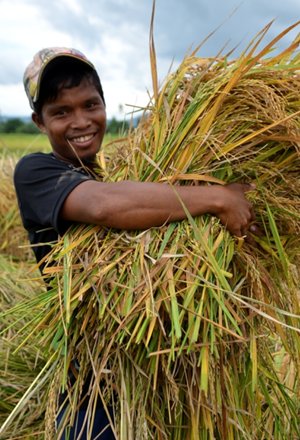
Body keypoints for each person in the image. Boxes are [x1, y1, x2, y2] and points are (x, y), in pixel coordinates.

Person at [14, 47, 256, 439]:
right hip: (94, 385)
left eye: (90, 104)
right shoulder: (36, 173)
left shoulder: (124, 173)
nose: (81, 121)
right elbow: (105, 206)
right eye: (61, 112)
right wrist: (218, 198)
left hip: (165, 372)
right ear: (39, 122)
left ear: (105, 104)